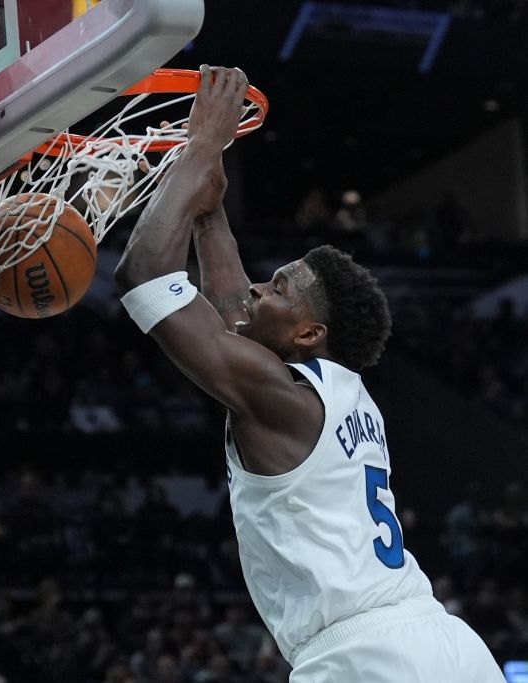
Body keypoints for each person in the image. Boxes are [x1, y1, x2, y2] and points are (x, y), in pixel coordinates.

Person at [114, 65, 505, 682]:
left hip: (365, 658)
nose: (258, 290)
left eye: (278, 289)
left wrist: (203, 143)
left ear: (308, 334)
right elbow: (233, 310)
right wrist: (208, 213)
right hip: (445, 641)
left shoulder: (284, 398)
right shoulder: (341, 394)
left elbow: (144, 277)